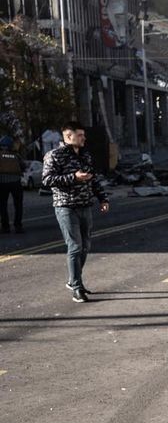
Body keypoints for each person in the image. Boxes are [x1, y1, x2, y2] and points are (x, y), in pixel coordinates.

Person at [41, 122, 109, 302]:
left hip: (85, 205)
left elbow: (93, 179)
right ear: (68, 136)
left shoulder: (85, 155)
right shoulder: (54, 155)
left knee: (85, 246)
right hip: (66, 207)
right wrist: (73, 177)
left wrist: (102, 198)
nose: (84, 138)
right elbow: (47, 180)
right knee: (75, 246)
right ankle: (77, 288)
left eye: (84, 135)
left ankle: (73, 280)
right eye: (80, 135)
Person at [0, 135, 25, 233]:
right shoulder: (16, 155)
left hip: (2, 182)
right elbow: (23, 166)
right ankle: (18, 226)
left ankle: (5, 227)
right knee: (18, 205)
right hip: (16, 182)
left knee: (2, 206)